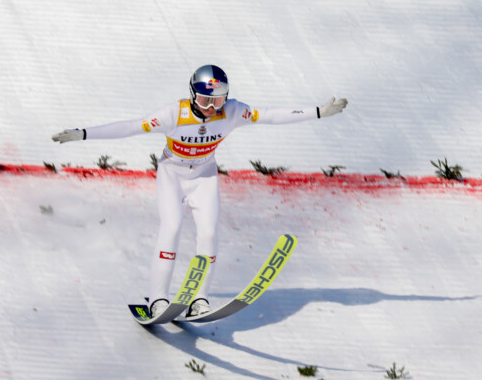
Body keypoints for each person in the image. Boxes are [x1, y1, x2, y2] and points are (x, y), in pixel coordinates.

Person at [52, 65, 347, 320]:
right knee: (172, 227)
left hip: (205, 175)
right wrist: (83, 133)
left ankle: (199, 299)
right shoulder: (173, 114)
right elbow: (130, 127)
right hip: (172, 174)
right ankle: (158, 300)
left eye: (218, 100)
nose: (211, 107)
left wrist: (318, 112)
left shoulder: (232, 112)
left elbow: (270, 115)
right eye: (206, 99)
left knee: (208, 233)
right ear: (193, 94)